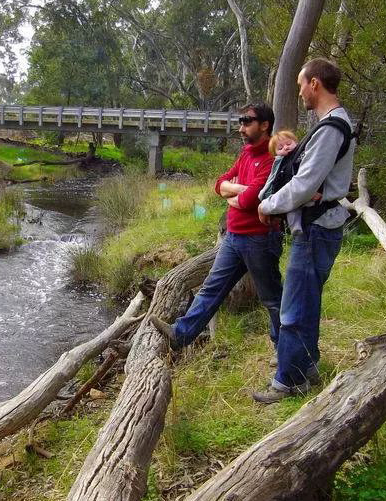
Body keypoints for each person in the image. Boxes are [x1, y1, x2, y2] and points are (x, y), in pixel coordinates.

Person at [252, 58, 356, 404]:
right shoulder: (331, 125)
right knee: (307, 302)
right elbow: (309, 182)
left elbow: (304, 183)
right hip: (317, 227)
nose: (299, 92)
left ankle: (285, 382)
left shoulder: (331, 129)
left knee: (293, 307)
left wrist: (267, 205)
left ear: (315, 83)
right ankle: (307, 368)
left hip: (316, 230)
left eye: (301, 84)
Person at [151, 102, 284, 355]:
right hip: (234, 237)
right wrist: (239, 191)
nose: (241, 127)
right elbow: (219, 185)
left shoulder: (270, 159)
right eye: (240, 122)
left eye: (247, 121)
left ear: (265, 125)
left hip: (260, 240)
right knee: (212, 288)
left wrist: (237, 194)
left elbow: (250, 200)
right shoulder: (246, 154)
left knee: (272, 299)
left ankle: (283, 350)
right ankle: (180, 334)